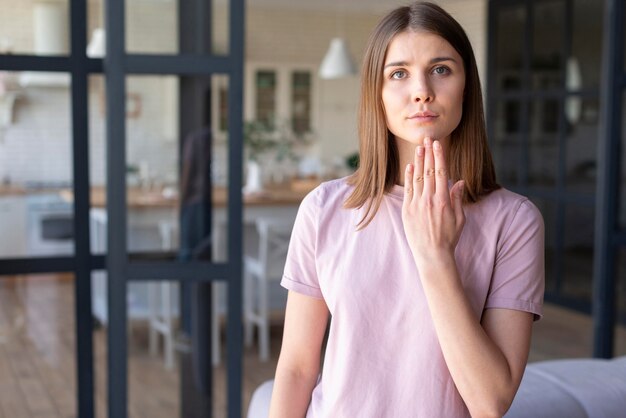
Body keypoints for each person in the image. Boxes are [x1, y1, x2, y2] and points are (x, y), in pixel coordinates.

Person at [268, 2, 545, 417]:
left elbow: (491, 401)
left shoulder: (515, 221)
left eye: (441, 69)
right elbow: (296, 370)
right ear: (376, 94)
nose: (422, 90)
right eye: (398, 73)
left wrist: (436, 257)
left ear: (466, 85)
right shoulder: (323, 209)